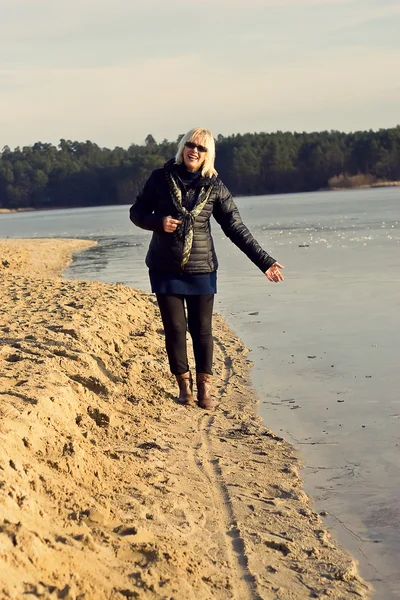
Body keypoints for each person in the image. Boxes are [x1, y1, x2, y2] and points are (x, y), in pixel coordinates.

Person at [129, 127, 284, 410]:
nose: (194, 151)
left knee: (202, 330)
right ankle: (184, 387)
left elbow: (236, 228)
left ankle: (204, 390)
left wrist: (265, 261)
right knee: (175, 329)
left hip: (202, 268)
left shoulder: (214, 186)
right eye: (190, 145)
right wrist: (158, 222)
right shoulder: (160, 178)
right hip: (164, 267)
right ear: (182, 147)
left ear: (208, 154)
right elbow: (136, 213)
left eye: (201, 148)